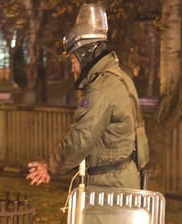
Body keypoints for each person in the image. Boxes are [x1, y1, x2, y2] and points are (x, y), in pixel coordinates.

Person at [26, 4, 148, 189]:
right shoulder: (119, 77)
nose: (73, 68)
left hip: (109, 186)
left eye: (73, 61)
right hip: (120, 178)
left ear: (85, 55)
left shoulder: (102, 89)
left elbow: (81, 138)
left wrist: (51, 167)